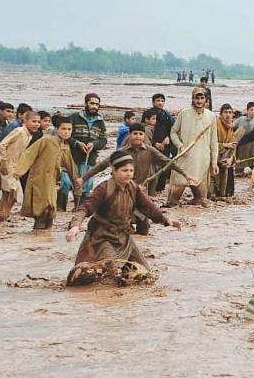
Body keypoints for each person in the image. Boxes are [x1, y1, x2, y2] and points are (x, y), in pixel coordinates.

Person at [65, 150, 183, 286]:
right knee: (109, 274)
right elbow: (85, 208)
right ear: (114, 171)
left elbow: (148, 207)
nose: (129, 174)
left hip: (123, 236)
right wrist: (75, 226)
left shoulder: (133, 188)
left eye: (131, 170)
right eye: (124, 170)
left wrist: (167, 220)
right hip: (101, 238)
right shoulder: (104, 189)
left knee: (145, 274)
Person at [79, 123, 196, 233]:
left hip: (140, 192)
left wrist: (186, 174)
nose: (138, 136)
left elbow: (168, 162)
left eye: (140, 134)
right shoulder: (121, 152)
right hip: (121, 191)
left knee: (144, 227)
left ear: (144, 135)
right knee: (121, 224)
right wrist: (83, 179)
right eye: (135, 133)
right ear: (130, 135)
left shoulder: (150, 151)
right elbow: (101, 166)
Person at [13, 119, 79, 229]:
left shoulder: (65, 146)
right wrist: (19, 171)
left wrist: (76, 181)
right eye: (63, 129)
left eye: (69, 129)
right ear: (57, 129)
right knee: (41, 210)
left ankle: (45, 237)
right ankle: (38, 235)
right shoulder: (46, 140)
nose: (66, 132)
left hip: (52, 181)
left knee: (51, 210)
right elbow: (29, 153)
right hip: (39, 179)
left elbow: (70, 165)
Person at [167, 87, 218, 207]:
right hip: (185, 157)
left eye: (202, 98)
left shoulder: (211, 117)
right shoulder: (184, 114)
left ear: (206, 100)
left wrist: (214, 162)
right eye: (197, 98)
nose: (199, 101)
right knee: (172, 202)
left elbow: (214, 141)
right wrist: (180, 146)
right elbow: (173, 132)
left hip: (202, 160)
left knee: (200, 202)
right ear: (192, 99)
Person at [0, 111, 41, 223]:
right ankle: (2, 216)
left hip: (14, 166)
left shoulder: (29, 135)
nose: (37, 124)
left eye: (38, 122)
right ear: (25, 121)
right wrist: (3, 161)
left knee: (9, 193)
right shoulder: (19, 131)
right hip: (6, 164)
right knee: (11, 192)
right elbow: (3, 144)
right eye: (33, 121)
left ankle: (2, 216)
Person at [60, 93, 107, 208]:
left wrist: (94, 144)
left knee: (86, 185)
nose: (94, 106)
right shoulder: (74, 117)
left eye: (97, 104)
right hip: (72, 156)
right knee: (66, 183)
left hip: (89, 158)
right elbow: (65, 135)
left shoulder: (100, 122)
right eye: (92, 103)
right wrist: (77, 143)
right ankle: (60, 207)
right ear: (86, 103)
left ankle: (80, 208)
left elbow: (104, 140)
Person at [150, 93, 176, 192]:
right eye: (158, 101)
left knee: (164, 165)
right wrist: (155, 143)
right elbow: (146, 130)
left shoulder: (167, 115)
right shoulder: (149, 114)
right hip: (153, 144)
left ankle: (160, 188)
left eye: (162, 101)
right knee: (153, 166)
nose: (160, 103)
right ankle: (152, 188)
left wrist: (168, 138)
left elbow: (172, 129)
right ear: (153, 102)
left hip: (165, 144)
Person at [213, 104, 237, 198]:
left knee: (229, 194)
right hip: (214, 159)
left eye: (230, 113)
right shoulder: (215, 124)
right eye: (225, 112)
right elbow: (209, 143)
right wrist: (224, 145)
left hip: (226, 159)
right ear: (220, 114)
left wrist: (231, 158)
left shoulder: (231, 127)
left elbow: (234, 146)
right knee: (212, 193)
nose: (228, 115)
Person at [233, 102, 254, 173]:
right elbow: (232, 126)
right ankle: (239, 171)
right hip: (241, 144)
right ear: (247, 110)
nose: (253, 112)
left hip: (252, 144)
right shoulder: (241, 119)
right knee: (240, 164)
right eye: (251, 110)